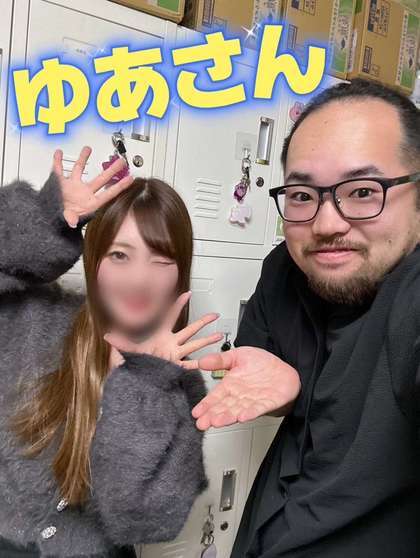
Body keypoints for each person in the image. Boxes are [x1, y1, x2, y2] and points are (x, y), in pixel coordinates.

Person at [193, 79, 420, 557]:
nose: (326, 224)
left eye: (363, 190)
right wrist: (287, 393)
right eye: (301, 195)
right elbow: (264, 390)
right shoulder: (284, 268)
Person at [0, 148, 222, 557]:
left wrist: (145, 384)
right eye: (120, 255)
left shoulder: (177, 383)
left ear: (180, 273)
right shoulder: (33, 318)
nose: (139, 279)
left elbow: (145, 521)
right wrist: (48, 219)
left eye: (161, 260)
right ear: (96, 259)